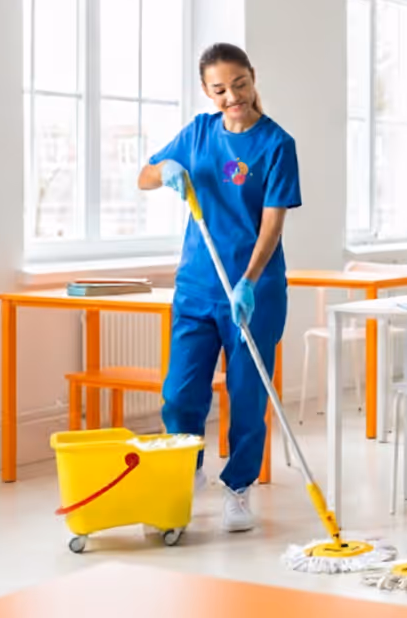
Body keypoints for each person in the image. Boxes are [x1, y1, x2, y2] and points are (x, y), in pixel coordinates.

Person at [138, 43, 301, 533]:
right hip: (196, 288)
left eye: (240, 84)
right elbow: (144, 175)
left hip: (254, 291)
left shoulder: (277, 144)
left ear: (253, 77)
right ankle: (186, 471)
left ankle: (239, 488)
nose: (232, 96)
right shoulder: (198, 132)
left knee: (247, 394)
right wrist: (166, 171)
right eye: (220, 89)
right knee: (180, 392)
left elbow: (272, 225)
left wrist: (248, 282)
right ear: (207, 92)